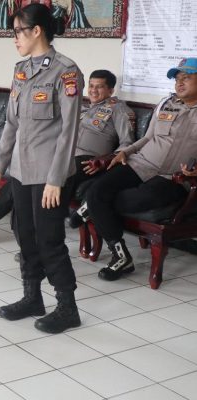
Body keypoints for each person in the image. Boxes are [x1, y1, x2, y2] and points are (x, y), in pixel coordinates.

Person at [0, 69, 135, 246]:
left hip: (87, 161)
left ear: (111, 90)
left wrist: (106, 160)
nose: (93, 90)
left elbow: (128, 144)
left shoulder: (119, 110)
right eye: (91, 86)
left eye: (99, 87)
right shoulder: (82, 108)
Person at [0, 3, 84, 334]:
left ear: (37, 31)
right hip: (20, 170)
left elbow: (69, 131)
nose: (15, 38)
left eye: (18, 31)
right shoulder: (21, 70)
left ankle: (67, 307)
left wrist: (56, 179)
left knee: (49, 240)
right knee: (25, 237)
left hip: (48, 174)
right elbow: (11, 123)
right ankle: (32, 297)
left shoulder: (66, 72)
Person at [81, 57, 197, 281]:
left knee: (122, 200)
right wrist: (125, 152)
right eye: (177, 79)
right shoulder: (166, 103)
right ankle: (121, 255)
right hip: (141, 163)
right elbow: (148, 137)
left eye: (187, 78)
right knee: (97, 191)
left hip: (172, 178)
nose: (179, 83)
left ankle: (89, 209)